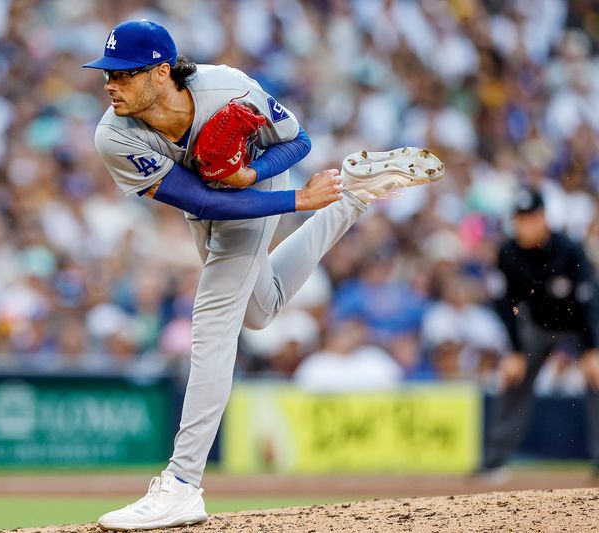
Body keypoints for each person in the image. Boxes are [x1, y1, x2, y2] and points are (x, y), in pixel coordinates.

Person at [82, 19, 444, 531]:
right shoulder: (112, 136)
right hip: (214, 201)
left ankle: (183, 484)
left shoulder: (228, 87)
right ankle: (355, 193)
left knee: (212, 320)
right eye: (106, 74)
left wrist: (266, 182)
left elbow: (297, 141)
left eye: (122, 74)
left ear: (161, 72)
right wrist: (300, 200)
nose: (109, 84)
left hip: (261, 179)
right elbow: (202, 199)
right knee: (258, 308)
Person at [482, 186, 599, 478]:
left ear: (543, 217)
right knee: (511, 379)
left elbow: (588, 301)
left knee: (598, 376)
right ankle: (494, 462)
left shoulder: (568, 249)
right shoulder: (508, 253)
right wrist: (515, 351)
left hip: (576, 326)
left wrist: (592, 349)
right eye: (519, 219)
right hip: (535, 326)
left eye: (530, 218)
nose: (524, 225)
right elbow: (505, 304)